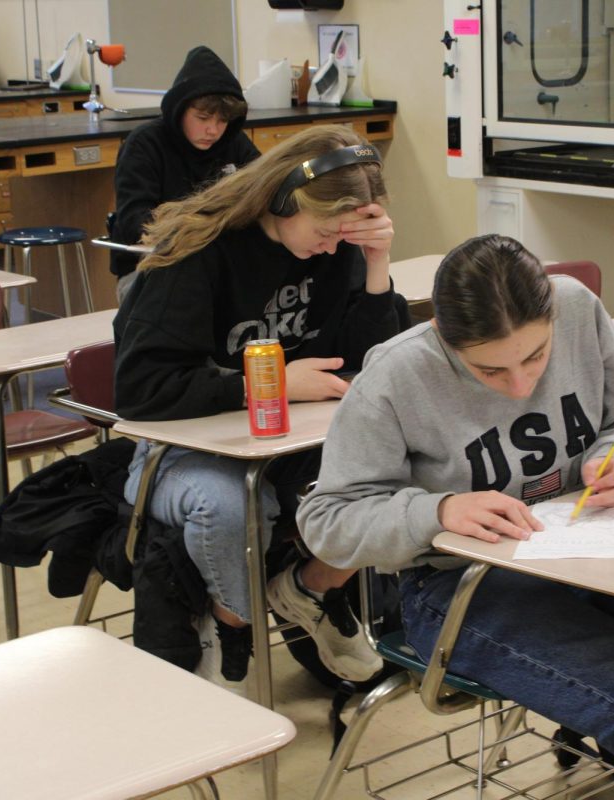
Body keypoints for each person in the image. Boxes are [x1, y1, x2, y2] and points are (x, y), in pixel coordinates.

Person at [297, 235, 614, 800]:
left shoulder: (575, 307)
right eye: (490, 371)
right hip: (459, 589)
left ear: (552, 315)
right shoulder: (395, 376)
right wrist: (438, 510)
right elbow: (327, 519)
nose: (520, 385)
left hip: (584, 557)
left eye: (535, 357)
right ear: (445, 339)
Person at [114, 124, 405, 691]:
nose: (328, 247)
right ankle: (233, 625)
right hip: (180, 449)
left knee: (409, 468)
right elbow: (140, 388)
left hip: (290, 443)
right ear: (279, 198)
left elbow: (369, 361)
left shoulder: (334, 250)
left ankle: (310, 590)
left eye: (341, 238)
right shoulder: (197, 252)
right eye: (324, 232)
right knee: (232, 506)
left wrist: (376, 263)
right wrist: (269, 384)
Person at [110, 46, 260, 301]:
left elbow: (265, 189)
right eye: (202, 118)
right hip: (151, 268)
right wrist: (200, 231)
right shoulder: (144, 145)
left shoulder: (235, 144)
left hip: (224, 266)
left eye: (222, 121)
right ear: (180, 110)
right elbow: (137, 221)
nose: (213, 130)